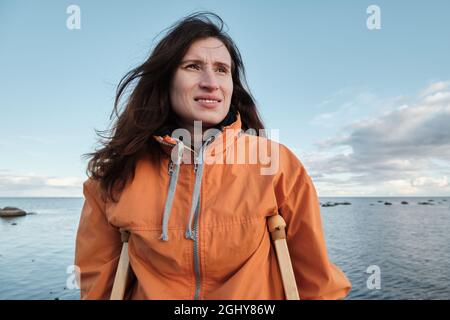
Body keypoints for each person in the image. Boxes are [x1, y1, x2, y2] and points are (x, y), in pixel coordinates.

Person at [75, 12, 351, 300]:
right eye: (193, 66)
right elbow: (97, 286)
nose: (211, 82)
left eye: (222, 70)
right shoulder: (116, 174)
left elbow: (317, 283)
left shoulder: (276, 164)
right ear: (165, 79)